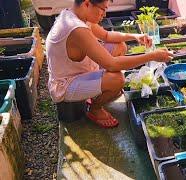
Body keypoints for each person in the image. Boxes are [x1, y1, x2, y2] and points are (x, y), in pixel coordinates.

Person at [46, 0, 173, 128]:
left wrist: (135, 36)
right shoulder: (76, 29)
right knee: (117, 79)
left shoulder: (76, 15)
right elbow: (112, 64)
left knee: (119, 45)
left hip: (81, 70)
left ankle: (99, 92)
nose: (105, 14)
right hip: (66, 84)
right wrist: (153, 56)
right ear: (86, 4)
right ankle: (95, 109)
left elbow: (106, 35)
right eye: (103, 9)